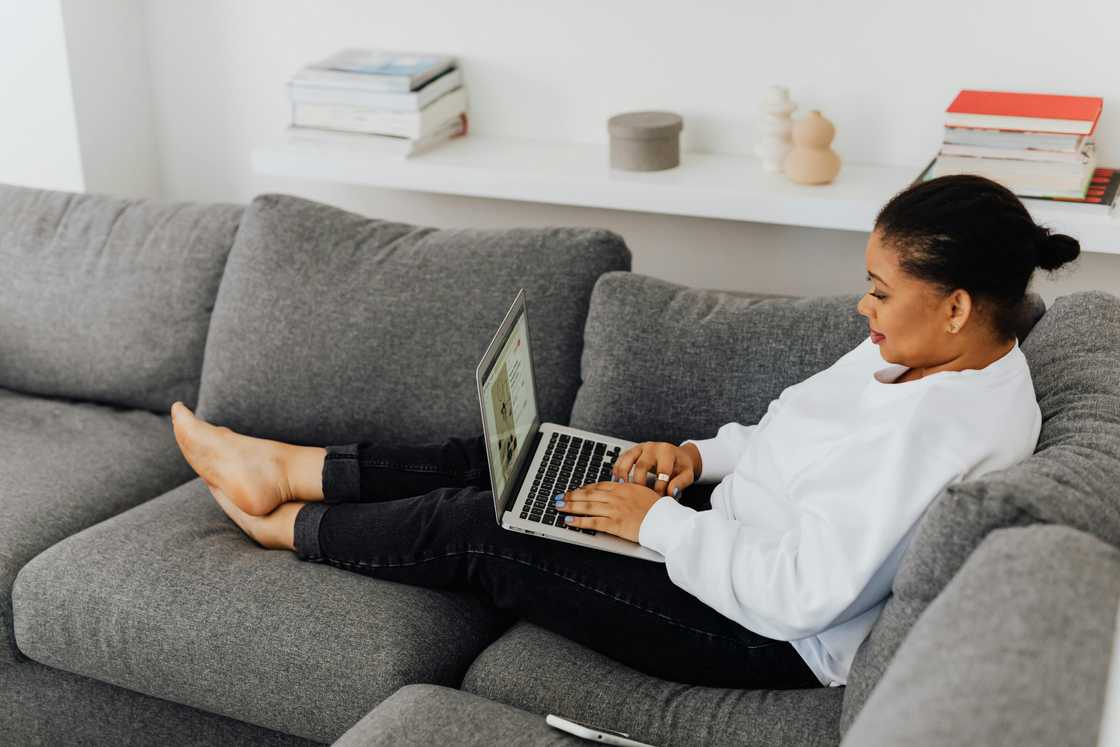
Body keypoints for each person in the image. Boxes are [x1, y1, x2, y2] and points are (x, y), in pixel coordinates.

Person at [169, 174, 1079, 690]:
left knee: (489, 528)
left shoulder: (946, 433)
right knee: (526, 460)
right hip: (723, 528)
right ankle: (286, 464)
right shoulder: (920, 355)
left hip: (753, 628)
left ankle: (280, 521)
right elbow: (787, 433)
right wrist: (693, 459)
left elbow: (802, 591)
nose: (863, 303)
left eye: (882, 289)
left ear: (956, 305)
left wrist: (655, 524)